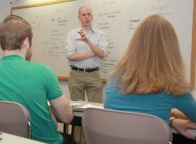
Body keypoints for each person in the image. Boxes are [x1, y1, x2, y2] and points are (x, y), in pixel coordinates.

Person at [0, 15, 73, 144]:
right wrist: (50, 109)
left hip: (4, 141)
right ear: (26, 42)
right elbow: (67, 117)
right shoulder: (44, 72)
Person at [104, 14, 196, 144]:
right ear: (171, 48)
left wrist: (171, 121)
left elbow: (134, 118)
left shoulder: (114, 77)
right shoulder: (173, 85)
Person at [66, 5, 108, 103]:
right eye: (83, 15)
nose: (86, 17)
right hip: (76, 74)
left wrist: (87, 40)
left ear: (92, 16)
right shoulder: (72, 34)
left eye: (89, 14)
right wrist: (92, 53)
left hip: (94, 74)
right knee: (76, 108)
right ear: (79, 18)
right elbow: (71, 56)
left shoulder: (100, 34)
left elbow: (101, 54)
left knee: (96, 108)